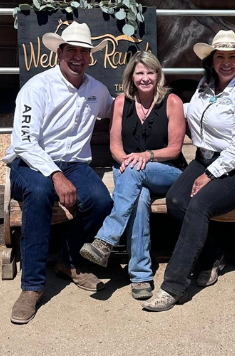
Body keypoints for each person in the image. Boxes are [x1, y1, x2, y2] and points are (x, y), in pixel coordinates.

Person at [143, 30, 235, 312]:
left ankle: (172, 287)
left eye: (231, 57)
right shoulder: (205, 85)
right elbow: (192, 112)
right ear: (211, 61)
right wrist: (160, 106)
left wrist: (210, 174)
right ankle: (213, 256)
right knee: (175, 201)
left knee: (197, 206)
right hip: (204, 159)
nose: (225, 62)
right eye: (219, 56)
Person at [4, 23, 114, 325]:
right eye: (72, 50)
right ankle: (32, 286)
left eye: (84, 51)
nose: (78, 57)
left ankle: (69, 261)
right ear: (60, 52)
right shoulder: (36, 88)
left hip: (75, 164)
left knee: (101, 201)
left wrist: (161, 107)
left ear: (90, 57)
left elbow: (115, 110)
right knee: (38, 195)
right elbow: (24, 143)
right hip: (31, 163)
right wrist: (54, 174)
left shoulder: (97, 90)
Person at [80, 52, 185, 300]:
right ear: (131, 76)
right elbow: (115, 147)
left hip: (166, 170)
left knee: (135, 174)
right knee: (138, 201)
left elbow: (174, 149)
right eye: (140, 73)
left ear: (158, 75)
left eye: (150, 72)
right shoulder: (120, 102)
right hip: (129, 169)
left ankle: (106, 239)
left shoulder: (172, 102)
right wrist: (128, 160)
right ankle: (140, 277)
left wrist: (146, 156)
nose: (145, 78)